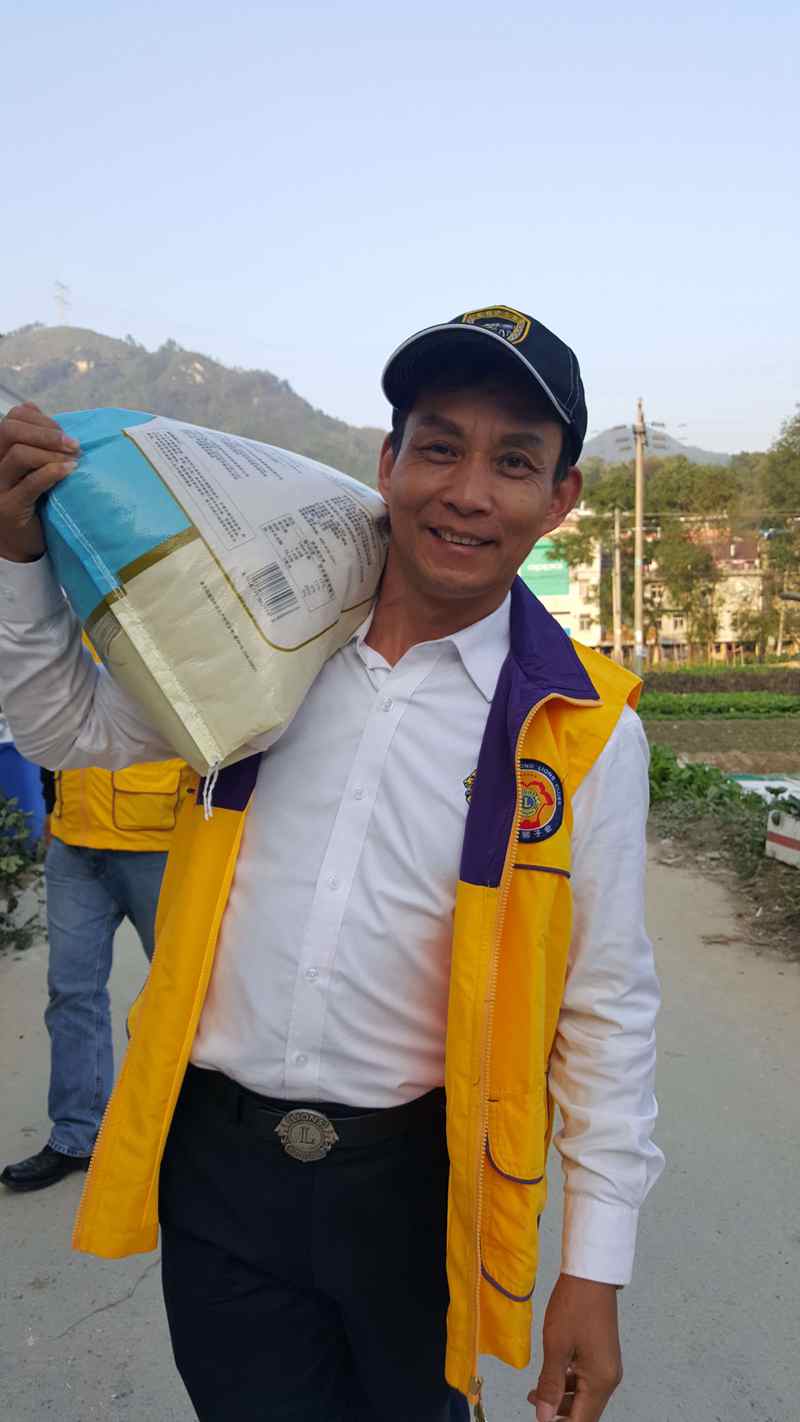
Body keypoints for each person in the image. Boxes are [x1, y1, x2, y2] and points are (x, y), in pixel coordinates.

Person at [0, 305, 664, 1422]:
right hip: (219, 1171)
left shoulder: (583, 729)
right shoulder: (261, 646)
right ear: (387, 462)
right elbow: (67, 730)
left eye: (513, 462)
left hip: (417, 1190)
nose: (467, 492)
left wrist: (594, 1270)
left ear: (560, 499)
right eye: (439, 447)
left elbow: (606, 1010)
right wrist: (20, 562)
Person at [1, 755, 192, 1192]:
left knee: (184, 993)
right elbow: (58, 732)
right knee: (72, 992)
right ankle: (77, 1135)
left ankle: (199, 1132)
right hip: (75, 841)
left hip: (161, 841)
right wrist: (53, 804)